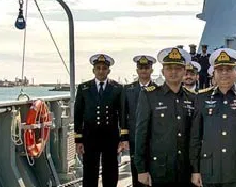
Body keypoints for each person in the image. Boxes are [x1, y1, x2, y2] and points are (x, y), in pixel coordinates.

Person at [190, 48, 236, 187]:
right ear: (214, 73)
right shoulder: (201, 97)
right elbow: (195, 137)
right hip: (209, 171)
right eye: (219, 70)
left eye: (229, 69)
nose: (224, 73)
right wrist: (195, 170)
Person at [134, 47, 195, 187]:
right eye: (169, 68)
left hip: (186, 169)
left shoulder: (193, 98)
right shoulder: (149, 95)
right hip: (159, 168)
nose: (173, 72)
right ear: (163, 71)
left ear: (184, 72)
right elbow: (141, 133)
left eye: (178, 68)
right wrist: (141, 169)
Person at [74, 54, 126, 187]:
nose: (101, 71)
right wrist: (78, 139)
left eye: (104, 68)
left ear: (109, 71)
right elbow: (78, 114)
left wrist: (122, 138)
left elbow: (122, 113)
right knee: (90, 171)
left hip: (110, 136)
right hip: (90, 136)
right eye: (98, 68)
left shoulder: (117, 88)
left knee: (111, 170)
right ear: (93, 70)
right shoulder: (84, 88)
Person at [122, 55, 156, 187]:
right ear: (137, 70)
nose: (144, 71)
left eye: (146, 68)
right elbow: (124, 114)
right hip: (134, 137)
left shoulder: (158, 90)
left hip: (153, 137)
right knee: (136, 169)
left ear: (151, 70)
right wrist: (124, 138)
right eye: (141, 68)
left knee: (153, 169)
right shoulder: (128, 90)